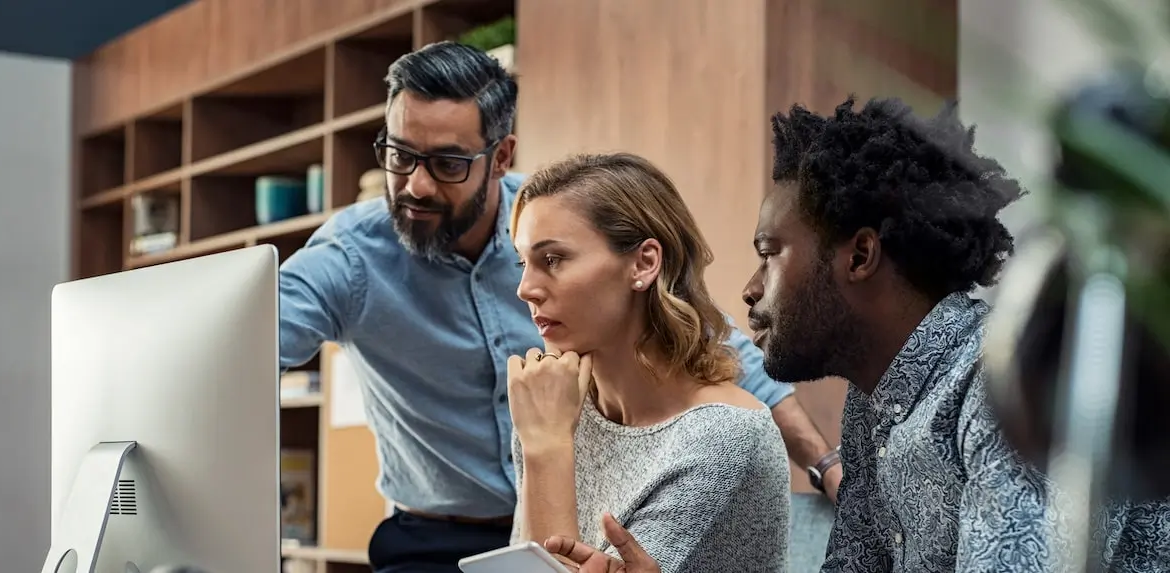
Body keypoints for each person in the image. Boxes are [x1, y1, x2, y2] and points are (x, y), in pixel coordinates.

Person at [277, 41, 838, 572]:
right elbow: (249, 346)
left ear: (500, 157)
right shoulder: (351, 258)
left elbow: (714, 345)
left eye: (448, 163)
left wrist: (825, 463)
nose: (416, 185)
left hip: (548, 496)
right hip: (435, 532)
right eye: (400, 156)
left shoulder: (558, 216)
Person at [546, 97, 1170, 572]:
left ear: (860, 254)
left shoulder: (1000, 386)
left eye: (771, 253)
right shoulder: (875, 405)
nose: (750, 291)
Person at [506, 153, 791, 572]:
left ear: (644, 263)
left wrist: (547, 447)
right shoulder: (555, 408)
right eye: (522, 262)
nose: (525, 288)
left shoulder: (725, 437)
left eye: (552, 260)